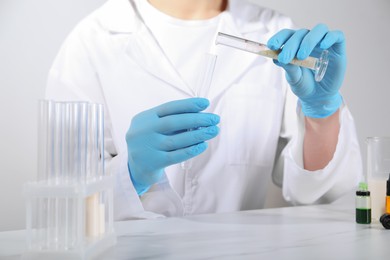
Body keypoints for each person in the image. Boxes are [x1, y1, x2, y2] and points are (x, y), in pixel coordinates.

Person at [45, 0, 363, 219]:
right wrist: (130, 176)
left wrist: (321, 111)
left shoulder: (275, 33)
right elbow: (65, 208)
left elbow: (317, 193)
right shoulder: (91, 42)